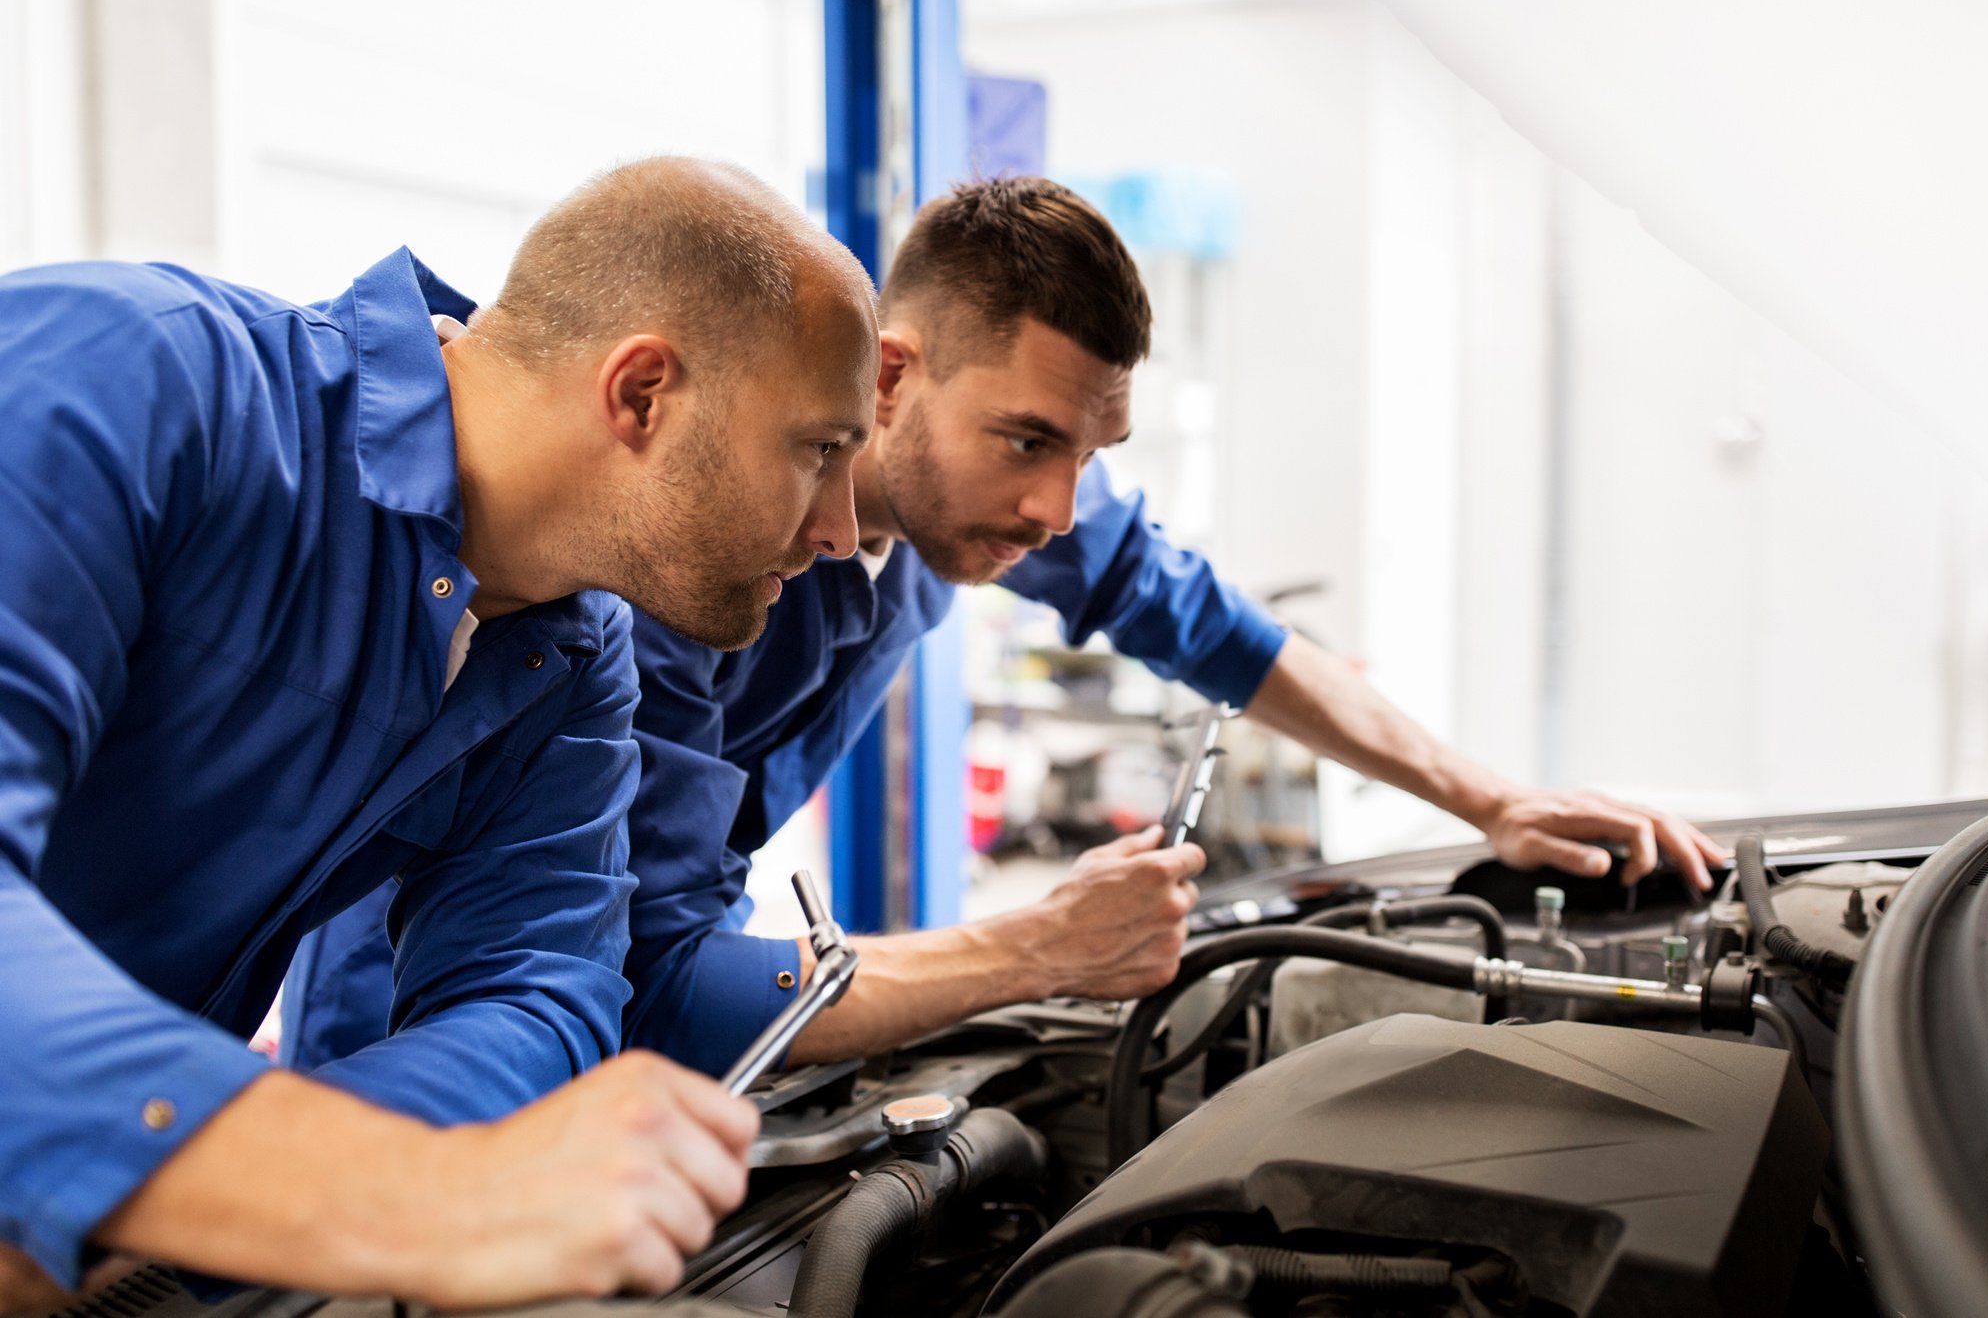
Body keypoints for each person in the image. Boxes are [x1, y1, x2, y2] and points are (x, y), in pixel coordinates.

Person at [289, 176, 1725, 1080]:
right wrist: (1034, 947)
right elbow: (649, 988)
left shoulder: (965, 504)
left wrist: (1483, 794)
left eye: (1087, 454)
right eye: (1028, 439)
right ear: (892, 376)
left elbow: (1216, 630)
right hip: (423, 1054)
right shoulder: (660, 580)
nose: (1056, 506)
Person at [0, 157, 878, 1314]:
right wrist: (373, 1180)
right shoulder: (129, 378)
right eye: (820, 449)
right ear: (642, 394)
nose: (842, 530)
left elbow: (539, 990)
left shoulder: (567, 656)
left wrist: (218, 1193)